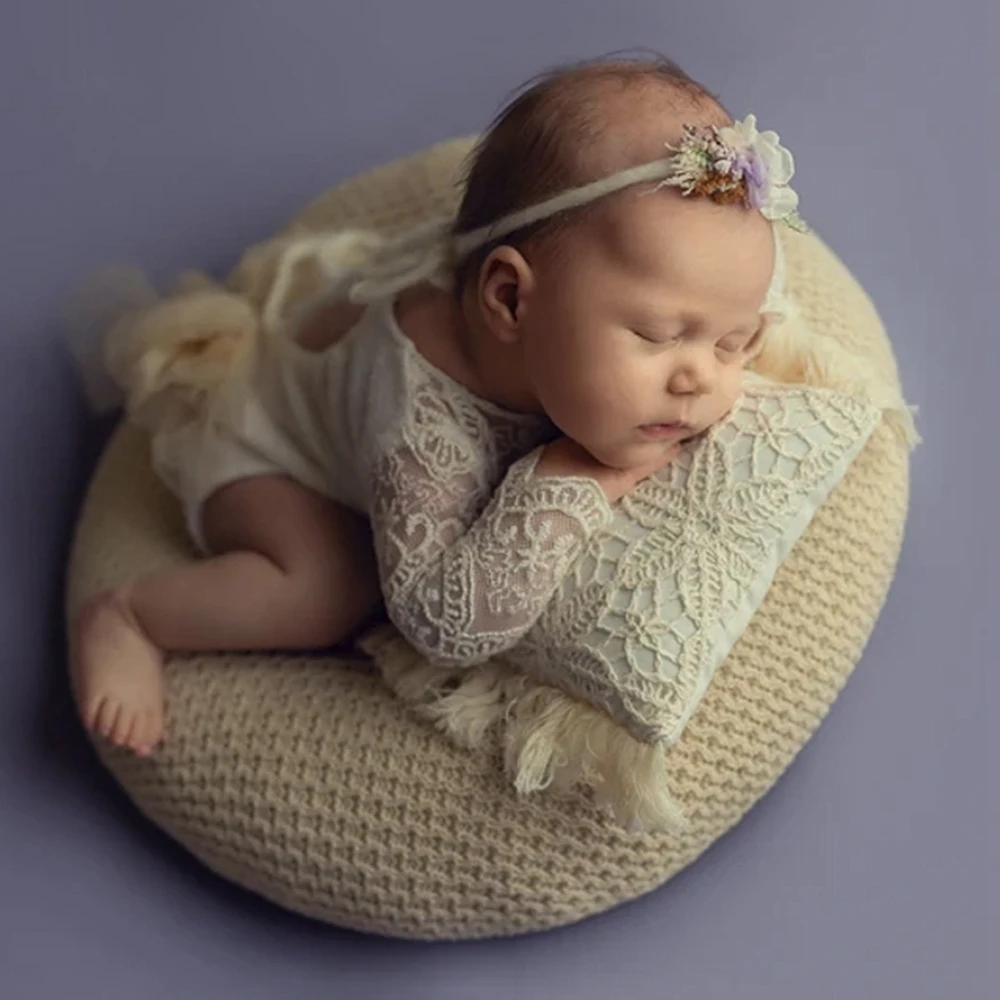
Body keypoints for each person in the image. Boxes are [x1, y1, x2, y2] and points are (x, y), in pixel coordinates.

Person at [71, 55, 805, 757]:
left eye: (733, 341)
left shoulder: (584, 309)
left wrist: (707, 335)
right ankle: (130, 615)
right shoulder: (419, 410)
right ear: (509, 299)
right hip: (271, 453)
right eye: (657, 335)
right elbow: (437, 622)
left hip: (366, 371)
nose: (699, 381)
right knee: (327, 589)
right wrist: (572, 477)